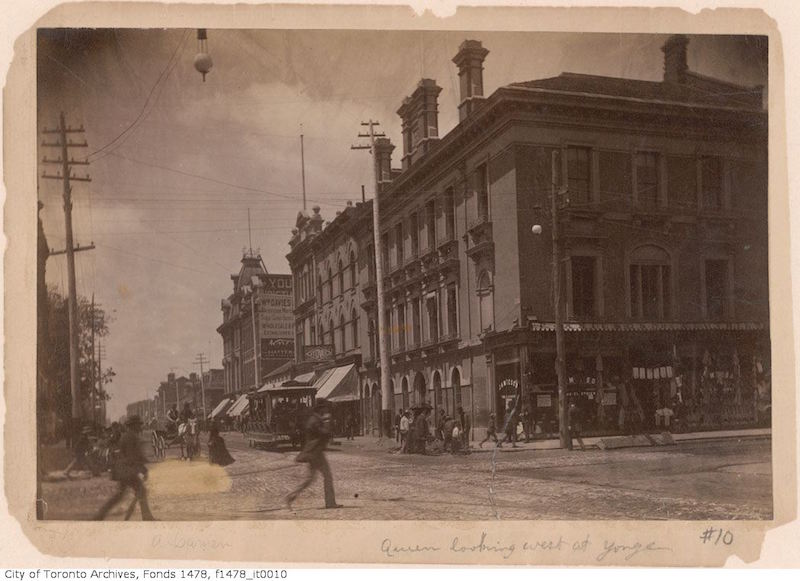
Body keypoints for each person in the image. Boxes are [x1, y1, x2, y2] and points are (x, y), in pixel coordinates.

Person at [94, 415, 155, 521]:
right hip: (126, 470)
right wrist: (143, 469)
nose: (140, 427)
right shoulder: (131, 437)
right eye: (138, 425)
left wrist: (142, 467)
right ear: (134, 426)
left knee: (120, 495)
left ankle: (100, 514)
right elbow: (133, 456)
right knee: (141, 491)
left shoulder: (128, 436)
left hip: (123, 470)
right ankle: (147, 517)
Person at [286, 398, 342, 509]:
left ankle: (291, 496)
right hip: (315, 453)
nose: (326, 410)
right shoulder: (315, 421)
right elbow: (325, 433)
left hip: (315, 453)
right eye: (325, 408)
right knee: (327, 476)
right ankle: (330, 503)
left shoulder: (314, 419)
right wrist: (327, 422)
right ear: (320, 409)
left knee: (310, 479)